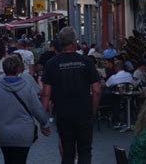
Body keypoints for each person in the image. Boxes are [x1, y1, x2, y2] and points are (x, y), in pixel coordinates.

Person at [41, 27, 101, 164]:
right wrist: (93, 110)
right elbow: (97, 90)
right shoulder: (86, 62)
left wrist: (43, 119)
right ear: (74, 42)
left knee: (67, 152)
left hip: (63, 114)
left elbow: (45, 94)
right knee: (85, 150)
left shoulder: (52, 64)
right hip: (84, 112)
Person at [0, 55, 50, 164]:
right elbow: (37, 108)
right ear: (18, 69)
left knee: (8, 160)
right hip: (24, 132)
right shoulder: (27, 87)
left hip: (2, 133)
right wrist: (44, 124)